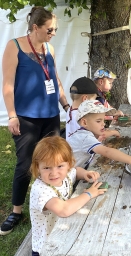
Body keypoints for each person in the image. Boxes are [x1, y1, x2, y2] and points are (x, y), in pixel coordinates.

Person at [1, 6, 69, 235]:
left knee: (54, 161)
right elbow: (8, 84)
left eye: (55, 29)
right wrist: (11, 115)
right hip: (26, 117)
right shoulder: (15, 46)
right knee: (24, 164)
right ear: (35, 27)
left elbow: (55, 78)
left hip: (51, 115)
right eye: (50, 29)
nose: (53, 33)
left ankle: (52, 201)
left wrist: (66, 105)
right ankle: (16, 211)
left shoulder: (49, 47)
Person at [30, 136, 106, 255]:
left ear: (69, 164)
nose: (54, 173)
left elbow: (76, 171)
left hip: (63, 234)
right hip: (46, 247)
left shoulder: (66, 173)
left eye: (60, 166)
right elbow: (64, 210)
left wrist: (86, 173)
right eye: (46, 168)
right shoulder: (40, 190)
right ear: (37, 167)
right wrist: (89, 193)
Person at [68, 100, 131, 173]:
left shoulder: (85, 133)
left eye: (103, 120)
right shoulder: (85, 138)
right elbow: (107, 151)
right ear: (84, 122)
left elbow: (103, 134)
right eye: (98, 121)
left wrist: (113, 132)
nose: (103, 124)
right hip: (67, 176)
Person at [66, 77, 120, 142]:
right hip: (84, 150)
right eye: (93, 100)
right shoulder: (82, 116)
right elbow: (101, 135)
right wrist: (114, 132)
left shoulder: (70, 109)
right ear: (85, 99)